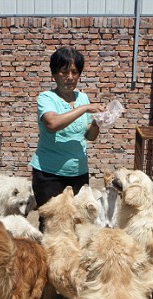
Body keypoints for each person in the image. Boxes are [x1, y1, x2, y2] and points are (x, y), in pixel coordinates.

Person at [29, 46, 105, 231]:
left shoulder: (82, 97)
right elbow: (52, 124)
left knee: (78, 222)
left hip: (78, 173)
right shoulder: (46, 98)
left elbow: (89, 136)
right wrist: (85, 109)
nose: (70, 77)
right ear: (54, 74)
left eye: (74, 72)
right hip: (49, 175)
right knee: (51, 223)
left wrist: (97, 123)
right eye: (64, 72)